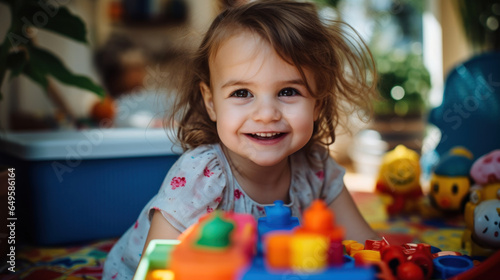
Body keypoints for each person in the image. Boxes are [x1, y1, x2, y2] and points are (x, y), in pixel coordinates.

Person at [103, 1, 379, 279]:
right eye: (242, 93)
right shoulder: (202, 176)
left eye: (288, 91)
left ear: (318, 104)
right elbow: (156, 269)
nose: (266, 114)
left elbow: (367, 249)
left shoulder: (316, 166)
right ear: (211, 103)